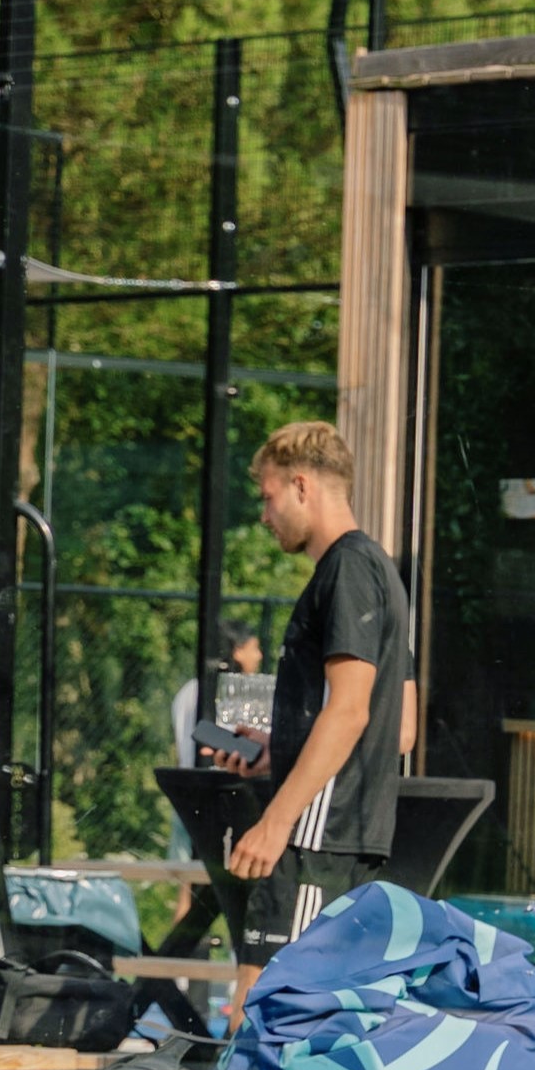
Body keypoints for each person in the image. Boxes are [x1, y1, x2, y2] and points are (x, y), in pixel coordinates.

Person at [216, 422, 417, 995]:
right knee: (311, 1019)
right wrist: (275, 750)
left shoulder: (347, 571)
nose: (264, 515)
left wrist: (275, 824)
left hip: (315, 838)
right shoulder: (381, 571)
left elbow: (351, 712)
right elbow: (398, 729)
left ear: (302, 486)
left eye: (269, 496)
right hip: (345, 834)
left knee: (265, 1012)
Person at [169, 624, 263, 860]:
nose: (259, 655)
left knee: (186, 873)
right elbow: (225, 741)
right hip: (220, 793)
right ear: (238, 651)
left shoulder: (189, 689)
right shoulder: (230, 695)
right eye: (255, 648)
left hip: (186, 785)